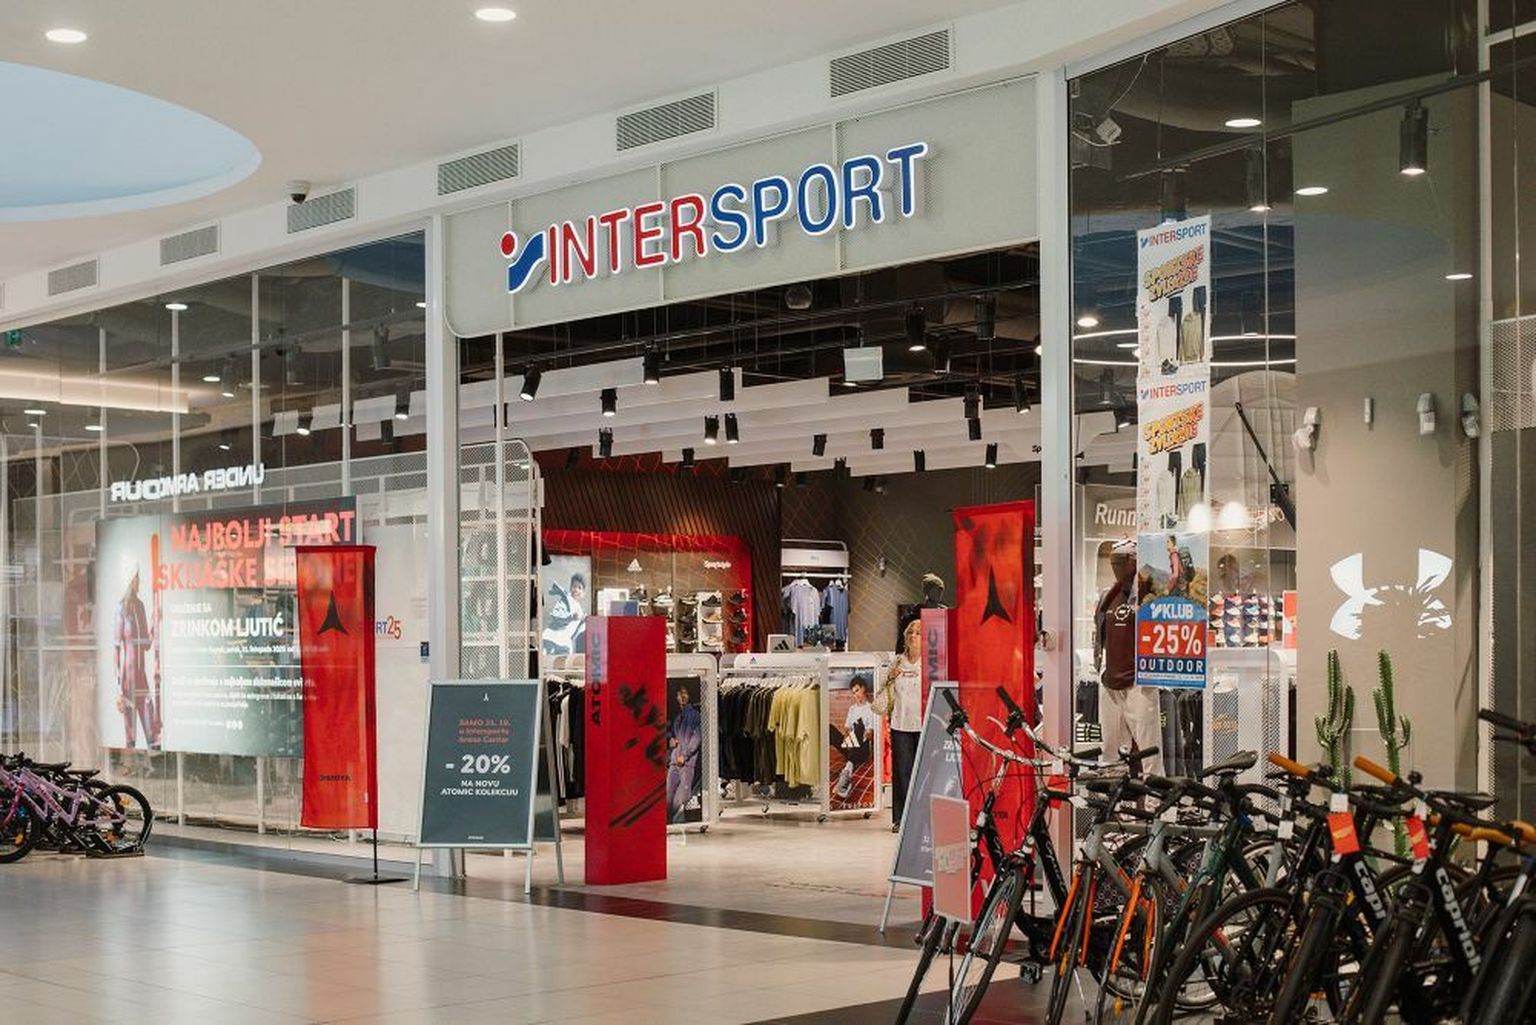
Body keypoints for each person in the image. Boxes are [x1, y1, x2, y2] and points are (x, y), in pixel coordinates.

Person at [1095, 540, 1162, 775]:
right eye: (1114, 562)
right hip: (1110, 682)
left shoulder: (1149, 594)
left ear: (1134, 562)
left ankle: (1156, 798)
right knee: (1110, 754)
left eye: (1123, 562)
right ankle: (1114, 797)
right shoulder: (1107, 596)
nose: (1117, 567)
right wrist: (1101, 668)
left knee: (1150, 754)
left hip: (1139, 683)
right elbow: (1101, 636)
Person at [879, 618, 925, 831]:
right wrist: (889, 677)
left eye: (918, 633)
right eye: (910, 633)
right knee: (902, 772)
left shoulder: (929, 663)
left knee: (922, 772)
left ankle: (922, 816)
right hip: (900, 724)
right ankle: (901, 818)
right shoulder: (897, 662)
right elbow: (882, 688)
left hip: (923, 724)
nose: (913, 636)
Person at [113, 564, 159, 749]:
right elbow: (116, 648)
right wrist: (118, 690)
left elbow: (146, 645)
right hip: (127, 683)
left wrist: (155, 624)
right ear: (131, 580)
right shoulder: (121, 609)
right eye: (137, 577)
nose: (140, 581)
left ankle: (153, 762)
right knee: (130, 739)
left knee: (153, 738)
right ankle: (130, 764)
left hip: (142, 681)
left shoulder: (140, 606)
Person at [832, 676, 877, 801]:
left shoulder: (871, 709)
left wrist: (866, 732)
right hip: (851, 746)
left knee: (858, 725)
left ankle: (846, 773)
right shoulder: (852, 709)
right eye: (853, 692)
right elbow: (846, 728)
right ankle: (846, 778)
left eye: (857, 690)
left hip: (863, 749)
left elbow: (870, 733)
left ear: (863, 688)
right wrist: (847, 738)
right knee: (830, 729)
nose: (855, 695)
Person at [665, 682, 702, 823]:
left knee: (686, 795)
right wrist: (672, 741)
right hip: (675, 760)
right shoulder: (677, 718)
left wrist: (684, 755)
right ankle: (668, 822)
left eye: (685, 693)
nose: (682, 696)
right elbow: (675, 737)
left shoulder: (694, 715)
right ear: (676, 697)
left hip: (686, 762)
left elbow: (696, 738)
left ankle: (687, 821)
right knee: (669, 793)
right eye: (680, 694)